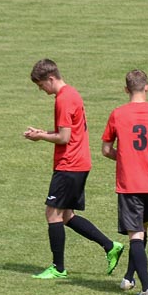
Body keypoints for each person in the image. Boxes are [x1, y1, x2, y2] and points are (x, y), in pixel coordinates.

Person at [25, 59, 123, 279]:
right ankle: (110, 246)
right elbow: (68, 129)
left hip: (69, 164)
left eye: (41, 85)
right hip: (78, 162)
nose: (42, 90)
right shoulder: (71, 94)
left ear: (50, 79)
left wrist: (40, 137)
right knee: (66, 215)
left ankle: (58, 268)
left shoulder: (64, 99)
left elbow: (64, 137)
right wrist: (43, 131)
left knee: (52, 213)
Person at [101, 70, 148, 295]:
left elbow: (105, 150)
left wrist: (124, 157)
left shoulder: (118, 114)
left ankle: (147, 288)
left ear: (126, 89)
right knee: (142, 231)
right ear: (147, 87)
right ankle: (129, 277)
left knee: (135, 235)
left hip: (129, 183)